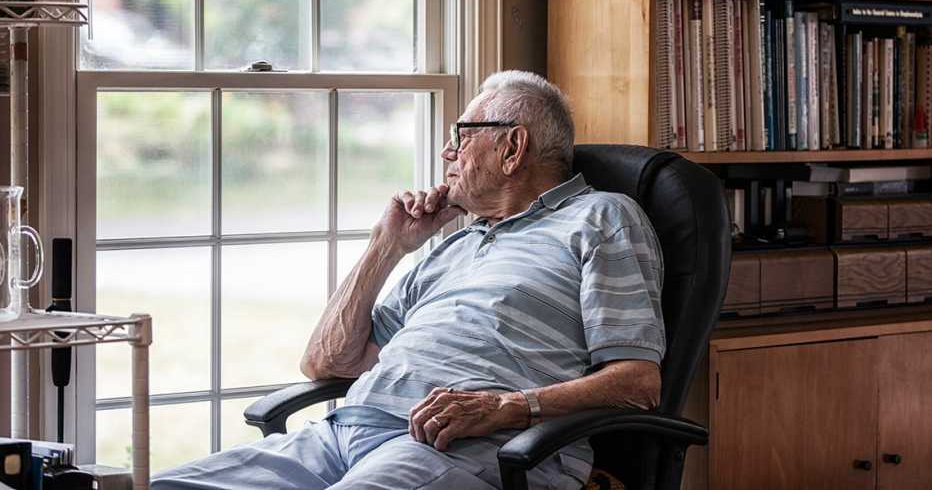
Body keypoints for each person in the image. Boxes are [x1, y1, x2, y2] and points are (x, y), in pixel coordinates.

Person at [152, 71, 665, 490]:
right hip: (341, 434)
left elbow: (639, 384)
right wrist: (388, 245)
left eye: (459, 138)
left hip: (465, 449)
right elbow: (329, 362)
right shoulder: (454, 245)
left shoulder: (601, 218)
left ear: (513, 147)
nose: (446, 155)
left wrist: (505, 406)